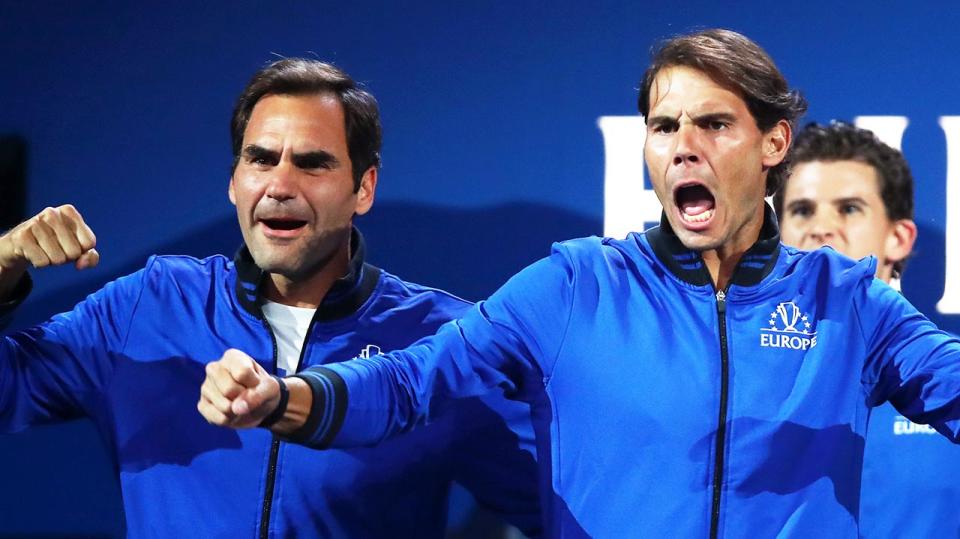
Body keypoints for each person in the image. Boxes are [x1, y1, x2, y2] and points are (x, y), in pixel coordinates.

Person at [201, 31, 960, 537]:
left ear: (773, 143)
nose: (683, 148)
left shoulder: (847, 302)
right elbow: (411, 382)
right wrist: (286, 397)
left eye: (714, 125)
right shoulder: (575, 286)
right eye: (664, 129)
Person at [0, 58, 541, 537]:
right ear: (234, 182)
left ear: (364, 187)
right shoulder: (150, 305)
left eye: (312, 163)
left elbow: (567, 511)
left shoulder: (441, 340)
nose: (280, 185)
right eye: (260, 159)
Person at [776, 121, 958, 537]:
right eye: (801, 210)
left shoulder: (950, 380)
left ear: (899, 237)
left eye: (849, 208)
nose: (820, 228)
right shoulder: (742, 385)